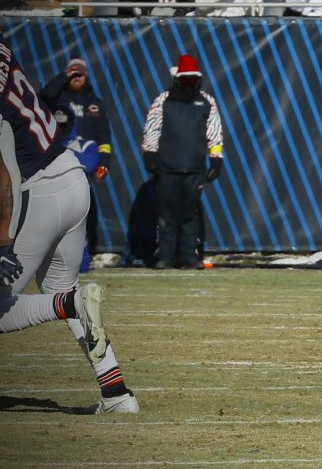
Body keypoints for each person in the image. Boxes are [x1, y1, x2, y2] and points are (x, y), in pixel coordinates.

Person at [0, 41, 128, 414]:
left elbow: (4, 172)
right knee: (60, 286)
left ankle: (69, 304)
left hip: (37, 188)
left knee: (46, 300)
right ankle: (117, 393)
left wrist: (5, 242)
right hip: (71, 174)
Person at [141, 54, 225, 270]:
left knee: (190, 213)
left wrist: (216, 159)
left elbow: (214, 132)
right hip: (167, 167)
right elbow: (152, 128)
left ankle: (189, 256)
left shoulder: (207, 101)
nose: (189, 83)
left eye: (193, 79)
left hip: (195, 167)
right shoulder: (163, 100)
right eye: (185, 78)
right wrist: (150, 154)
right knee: (167, 214)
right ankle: (166, 256)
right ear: (177, 78)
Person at [39, 58, 114, 264]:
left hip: (83, 169)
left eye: (80, 73)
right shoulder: (57, 98)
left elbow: (104, 137)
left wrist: (105, 163)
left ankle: (83, 254)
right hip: (56, 166)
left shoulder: (94, 104)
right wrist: (63, 75)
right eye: (72, 73)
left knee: (83, 212)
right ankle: (48, 254)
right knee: (55, 213)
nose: (76, 77)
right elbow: (42, 96)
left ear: (87, 76)